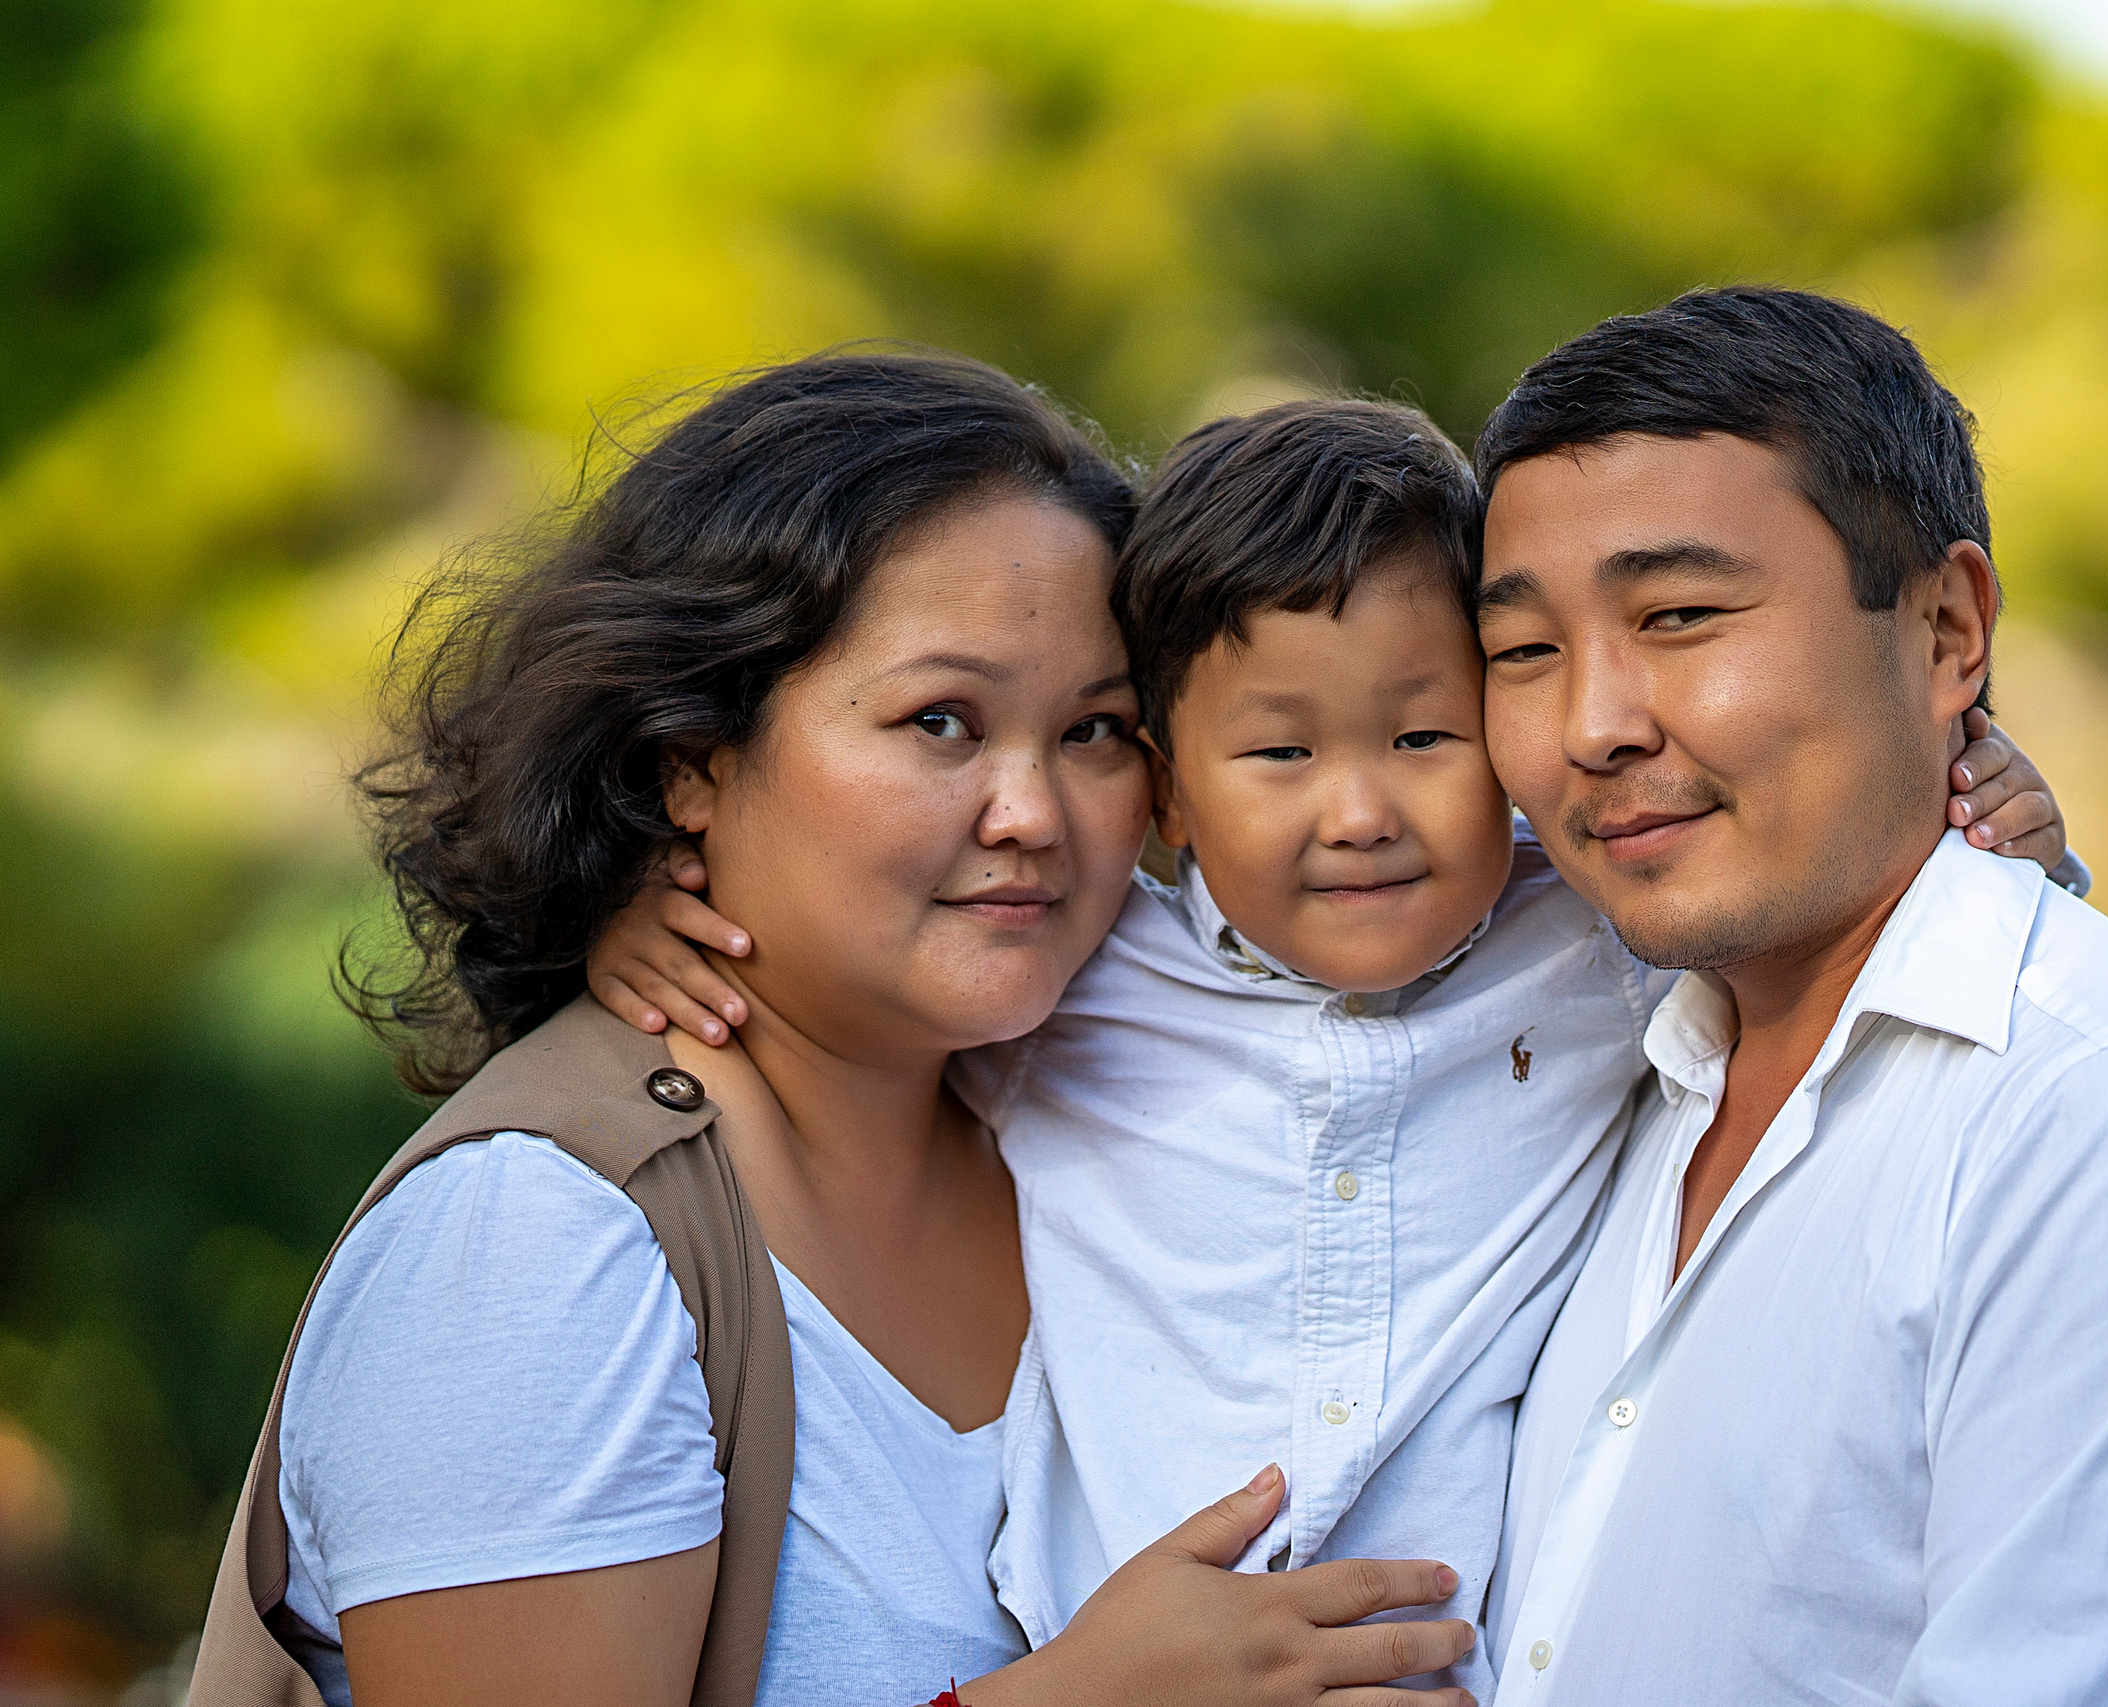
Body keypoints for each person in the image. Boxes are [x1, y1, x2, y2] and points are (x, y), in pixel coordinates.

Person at [587, 396, 2080, 1690]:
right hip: (1120, 1674)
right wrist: (647, 911)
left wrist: (1989, 811)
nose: (1360, 813)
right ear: (1170, 794)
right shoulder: (1078, 980)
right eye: (1281, 753)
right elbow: (852, 970)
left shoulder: (1599, 948)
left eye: (1423, 739)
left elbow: (1835, 925)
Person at [197, 352, 1480, 1707]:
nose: (1032, 815)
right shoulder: (536, 1245)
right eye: (941, 721)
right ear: (691, 759)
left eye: (1097, 731)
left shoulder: (1113, 1099)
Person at [1472, 287, 2108, 1702]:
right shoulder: (1578, 1062)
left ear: (1946, 631)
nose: (1592, 726)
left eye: (1680, 616)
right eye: (1523, 651)